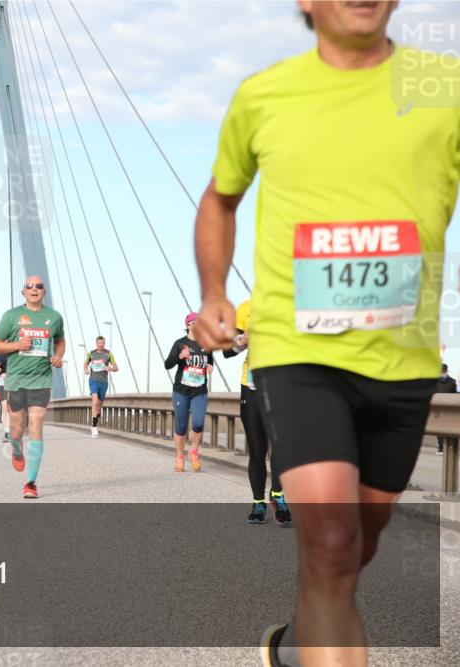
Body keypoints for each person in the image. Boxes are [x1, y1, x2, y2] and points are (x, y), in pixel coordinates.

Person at [191, 3, 459, 664]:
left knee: (357, 545)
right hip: (297, 349)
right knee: (332, 541)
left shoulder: (444, 87)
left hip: (404, 357)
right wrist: (216, 293)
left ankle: (293, 646)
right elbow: (220, 198)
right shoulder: (265, 95)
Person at [0, 276, 64, 499]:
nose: (34, 289)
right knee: (17, 430)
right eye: (29, 286)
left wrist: (58, 356)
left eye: (38, 286)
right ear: (23, 292)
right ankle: (17, 448)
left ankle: (31, 483)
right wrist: (16, 345)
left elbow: (60, 341)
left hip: (41, 379)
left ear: (44, 291)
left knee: (36, 423)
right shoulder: (11, 316)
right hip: (16, 381)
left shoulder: (54, 317)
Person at [223, 300, 291, 525]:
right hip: (252, 387)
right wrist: (243, 340)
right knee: (257, 450)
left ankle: (278, 495)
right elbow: (226, 351)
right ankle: (258, 503)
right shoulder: (246, 309)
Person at [165, 313, 214, 473]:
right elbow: (167, 364)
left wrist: (210, 367)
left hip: (199, 390)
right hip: (181, 391)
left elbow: (209, 360)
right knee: (181, 426)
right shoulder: (180, 343)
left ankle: (193, 452)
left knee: (199, 423)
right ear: (189, 325)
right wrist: (179, 356)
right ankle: (179, 457)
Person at [83, 335, 119, 439]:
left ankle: (95, 420)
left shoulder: (108, 354)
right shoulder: (91, 354)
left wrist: (110, 368)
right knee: (94, 402)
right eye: (99, 343)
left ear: (104, 344)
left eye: (103, 343)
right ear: (96, 344)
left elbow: (116, 368)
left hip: (103, 382)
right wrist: (86, 370)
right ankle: (94, 428)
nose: (101, 345)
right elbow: (85, 364)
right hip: (93, 380)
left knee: (99, 407)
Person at [435, 363, 456, 454]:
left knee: (444, 428)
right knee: (440, 429)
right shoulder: (435, 381)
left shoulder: (452, 381)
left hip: (444, 408)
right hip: (442, 408)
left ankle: (444, 447)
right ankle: (442, 447)